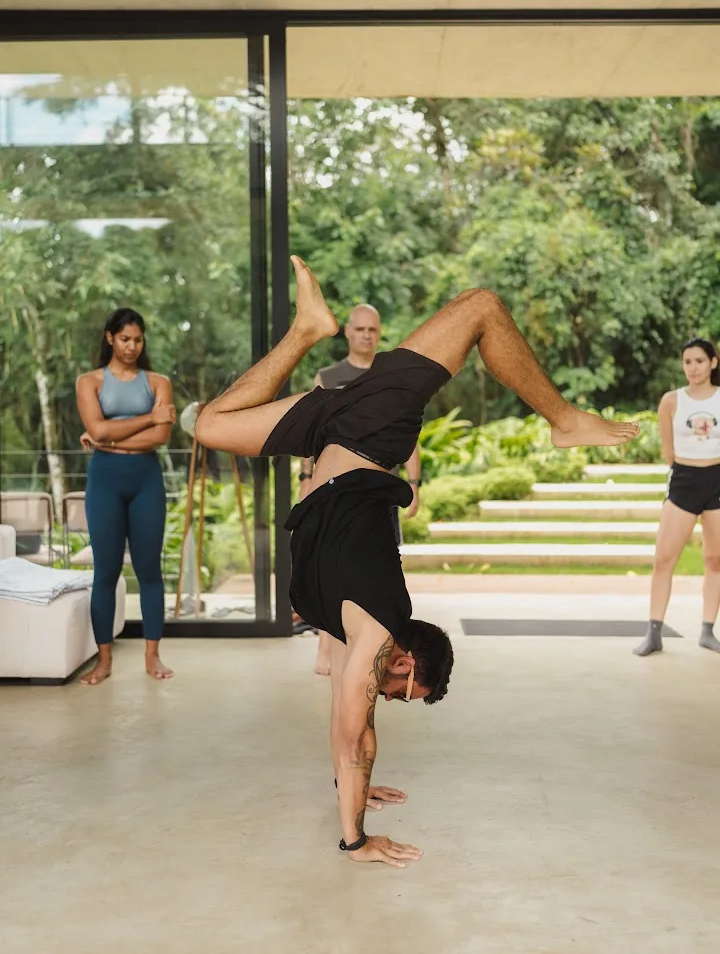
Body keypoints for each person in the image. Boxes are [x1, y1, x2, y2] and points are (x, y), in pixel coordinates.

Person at [196, 257, 637, 867]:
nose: (392, 696)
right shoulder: (376, 629)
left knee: (211, 425)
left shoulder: (346, 629)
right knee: (481, 305)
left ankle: (306, 330)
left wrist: (353, 790)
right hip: (370, 435)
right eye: (405, 690)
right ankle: (563, 421)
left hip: (334, 436)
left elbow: (344, 731)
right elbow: (358, 738)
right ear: (404, 660)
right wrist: (355, 839)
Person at [299, 303, 422, 676]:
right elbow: (312, 430)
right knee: (329, 568)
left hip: (379, 490)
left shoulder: (392, 376)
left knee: (378, 571)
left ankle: (377, 648)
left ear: (379, 333)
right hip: (333, 490)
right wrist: (305, 477)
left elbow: (409, 434)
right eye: (360, 329)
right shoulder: (329, 376)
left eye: (373, 329)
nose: (367, 335)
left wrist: (414, 483)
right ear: (348, 332)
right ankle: (324, 647)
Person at [76, 308, 175, 685]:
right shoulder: (89, 382)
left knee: (150, 572)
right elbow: (96, 429)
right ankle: (103, 661)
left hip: (146, 479)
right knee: (106, 572)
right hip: (105, 482)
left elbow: (161, 437)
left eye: (138, 339)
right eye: (124, 339)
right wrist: (149, 417)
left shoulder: (157, 382)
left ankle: (153, 657)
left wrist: (108, 435)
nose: (132, 346)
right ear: (109, 338)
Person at [634, 338, 720, 657]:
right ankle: (654, 632)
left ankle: (707, 631)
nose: (693, 368)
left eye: (699, 361)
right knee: (663, 559)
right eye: (687, 362)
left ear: (713, 362)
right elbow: (668, 452)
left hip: (718, 482)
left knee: (715, 560)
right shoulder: (672, 400)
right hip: (684, 481)